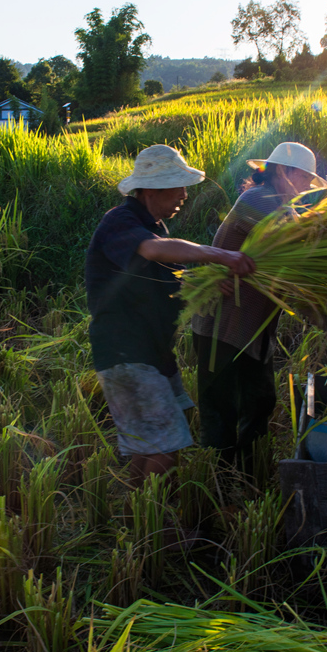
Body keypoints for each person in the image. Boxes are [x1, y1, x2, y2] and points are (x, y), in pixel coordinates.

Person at [85, 144, 255, 488]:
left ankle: (138, 514)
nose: (184, 195)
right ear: (151, 190)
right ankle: (154, 523)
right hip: (126, 353)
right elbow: (151, 250)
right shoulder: (122, 221)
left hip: (151, 352)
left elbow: (166, 283)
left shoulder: (155, 227)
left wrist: (204, 286)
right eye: (178, 187)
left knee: (151, 441)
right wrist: (221, 255)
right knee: (165, 449)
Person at [191, 142, 327, 478]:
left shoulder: (284, 209)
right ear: (283, 171)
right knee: (222, 409)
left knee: (260, 402)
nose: (305, 187)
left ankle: (250, 475)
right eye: (302, 178)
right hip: (223, 326)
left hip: (253, 329)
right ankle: (220, 481)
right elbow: (295, 245)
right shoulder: (256, 201)